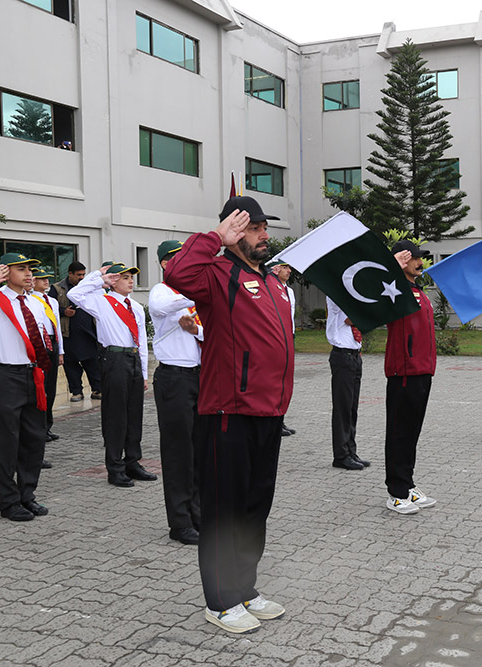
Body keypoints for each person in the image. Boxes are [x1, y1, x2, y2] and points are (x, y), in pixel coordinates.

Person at [165, 195, 293, 634]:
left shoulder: (273, 281)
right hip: (228, 411)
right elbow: (176, 273)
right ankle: (219, 601)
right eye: (254, 227)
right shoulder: (216, 275)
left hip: (269, 411)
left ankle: (244, 588)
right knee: (225, 508)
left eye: (263, 227)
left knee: (255, 506)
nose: (264, 235)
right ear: (234, 231)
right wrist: (214, 239)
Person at [0, 253, 52, 521]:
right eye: (22, 269)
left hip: (34, 376)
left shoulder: (36, 302)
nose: (29, 274)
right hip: (8, 376)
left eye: (30, 269)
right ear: (6, 273)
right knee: (7, 441)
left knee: (34, 440)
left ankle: (26, 495)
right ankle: (8, 502)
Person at [68, 262, 157, 488]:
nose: (130, 281)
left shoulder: (136, 306)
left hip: (133, 359)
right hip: (113, 359)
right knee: (115, 415)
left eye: (131, 277)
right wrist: (99, 276)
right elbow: (74, 293)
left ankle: (133, 461)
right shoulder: (101, 302)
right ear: (113, 280)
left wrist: (144, 373)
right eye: (125, 277)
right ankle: (115, 467)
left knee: (134, 414)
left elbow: (141, 343)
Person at [149, 240, 202, 546]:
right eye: (179, 259)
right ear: (166, 264)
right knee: (178, 451)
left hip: (197, 376)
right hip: (174, 378)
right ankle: (179, 522)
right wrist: (190, 293)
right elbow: (158, 307)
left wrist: (196, 330)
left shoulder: (189, 297)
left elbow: (207, 329)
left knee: (197, 450)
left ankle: (197, 513)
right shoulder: (164, 291)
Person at [383, 239, 437, 515]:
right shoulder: (393, 289)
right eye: (416, 258)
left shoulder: (417, 289)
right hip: (403, 371)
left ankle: (407, 483)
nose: (421, 262)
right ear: (402, 260)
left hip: (422, 370)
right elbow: (373, 300)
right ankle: (396, 492)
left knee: (412, 431)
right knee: (399, 431)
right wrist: (392, 269)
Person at [326, 295, 368, 471]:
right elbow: (353, 319)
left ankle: (351, 450)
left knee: (352, 408)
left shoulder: (352, 296)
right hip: (342, 356)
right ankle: (341, 455)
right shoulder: (336, 295)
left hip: (354, 355)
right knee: (343, 408)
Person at [50, 261, 102, 402]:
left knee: (92, 363)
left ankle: (97, 389)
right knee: (71, 366)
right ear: (70, 274)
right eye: (78, 275)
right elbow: (49, 309)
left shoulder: (87, 288)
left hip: (88, 333)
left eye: (83, 275)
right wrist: (64, 311)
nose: (81, 278)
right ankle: (76, 392)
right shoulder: (57, 288)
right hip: (68, 334)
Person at [31, 267, 64, 458]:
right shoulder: (31, 300)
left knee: (51, 387)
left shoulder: (51, 300)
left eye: (47, 279)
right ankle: (39, 427)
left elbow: (57, 326)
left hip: (52, 342)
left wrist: (61, 351)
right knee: (40, 388)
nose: (46, 282)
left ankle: (47, 425)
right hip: (40, 345)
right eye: (42, 279)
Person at [270, 261, 297, 438]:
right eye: (285, 267)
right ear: (276, 268)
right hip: (275, 340)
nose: (289, 271)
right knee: (274, 383)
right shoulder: (270, 288)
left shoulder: (290, 290)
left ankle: (281, 419)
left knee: (285, 383)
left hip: (289, 338)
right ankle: (274, 421)